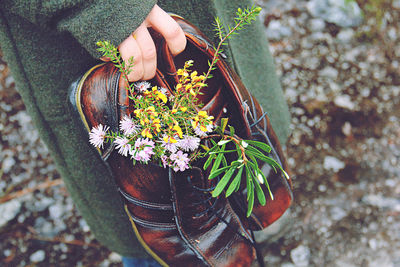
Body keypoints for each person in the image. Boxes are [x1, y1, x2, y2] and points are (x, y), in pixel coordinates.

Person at [0, 0, 291, 265]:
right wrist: (97, 8)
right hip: (95, 32)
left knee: (231, 102)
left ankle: (250, 204)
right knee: (160, 218)